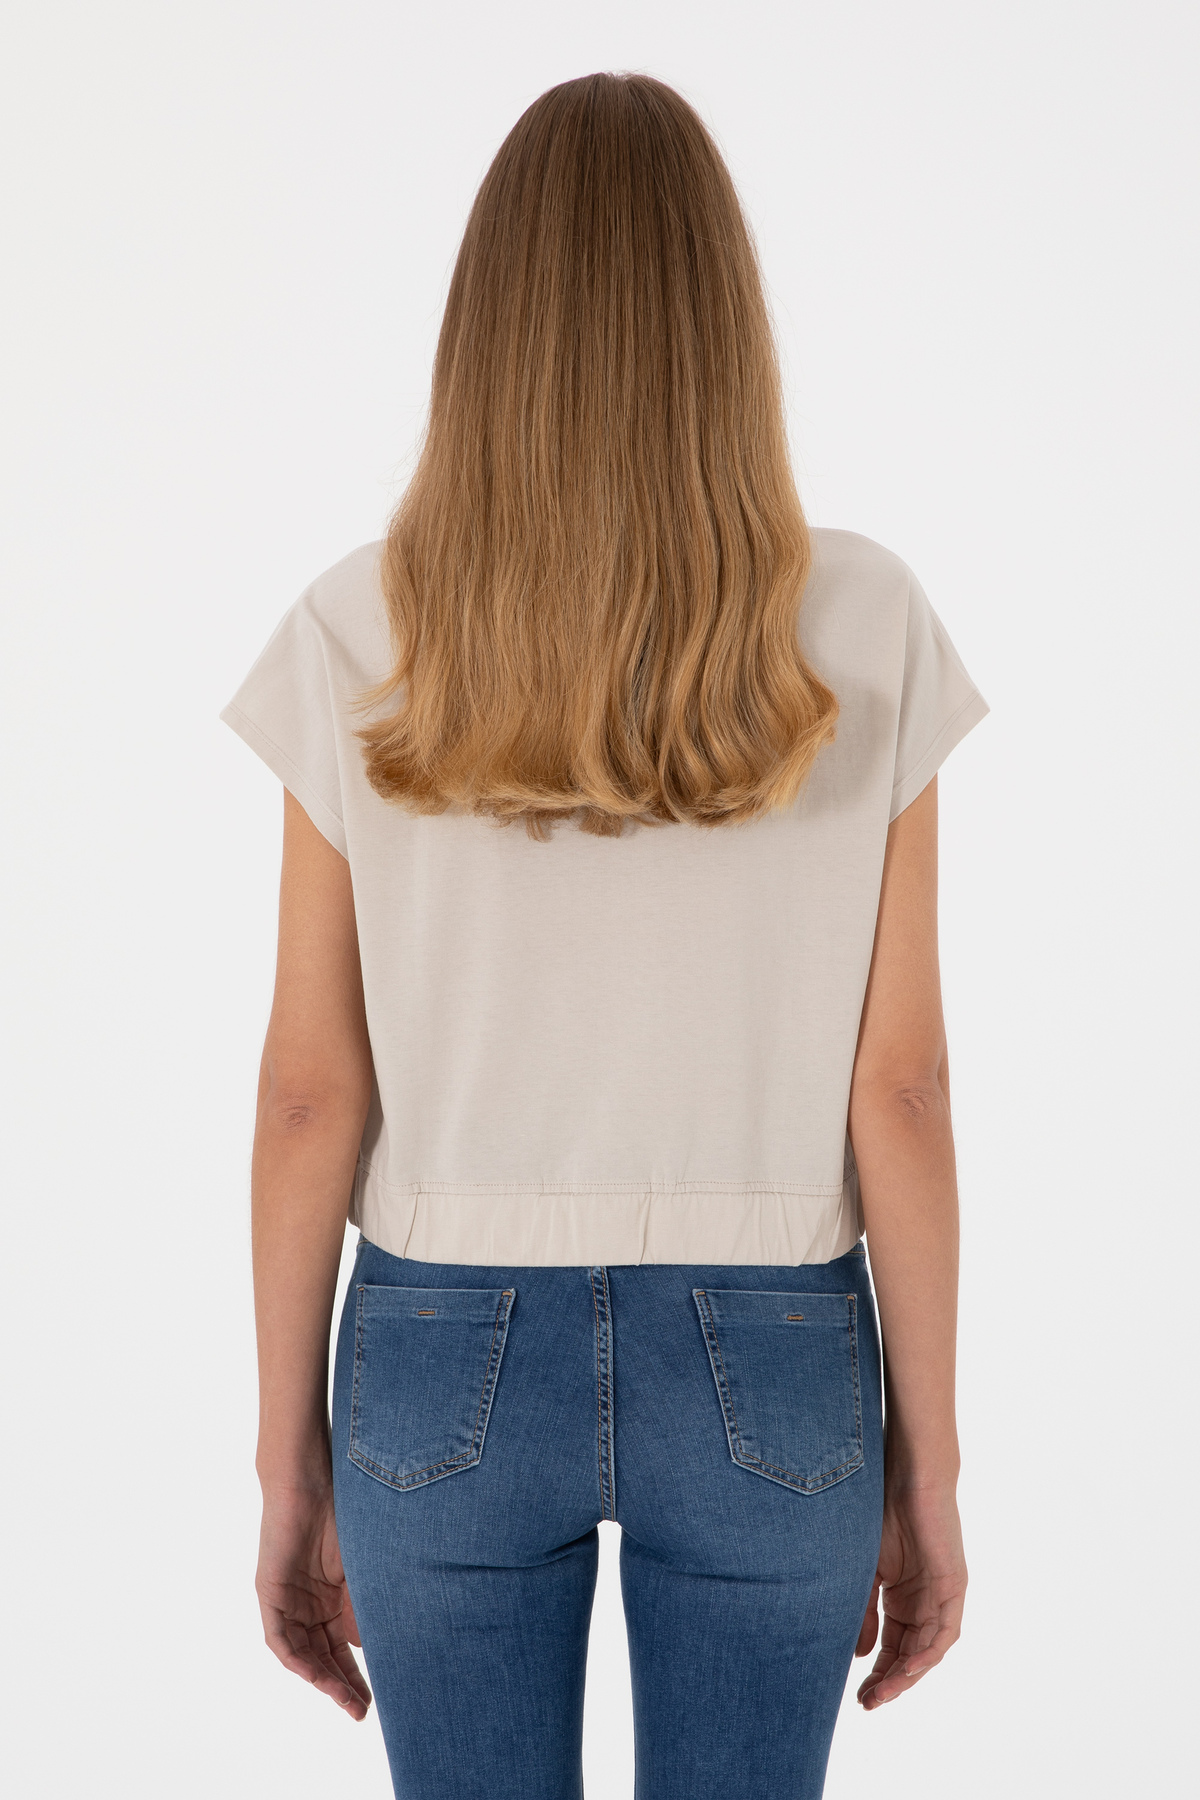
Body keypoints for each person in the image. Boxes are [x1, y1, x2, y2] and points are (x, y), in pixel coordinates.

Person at [221, 71, 987, 1800]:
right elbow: (904, 1090)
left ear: (487, 330)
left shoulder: (360, 629)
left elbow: (307, 1093)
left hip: (437, 1344)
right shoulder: (865, 623)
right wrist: (929, 1469)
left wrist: (286, 1463)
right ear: (725, 323)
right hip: (778, 1351)